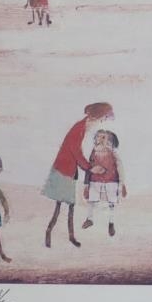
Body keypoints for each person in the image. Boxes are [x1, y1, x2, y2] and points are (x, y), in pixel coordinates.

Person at [42, 101, 113, 248]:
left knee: (70, 206)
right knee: (60, 207)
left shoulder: (81, 128)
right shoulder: (78, 129)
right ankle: (49, 235)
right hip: (63, 172)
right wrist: (90, 168)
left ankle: (70, 237)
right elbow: (76, 153)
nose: (100, 123)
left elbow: (77, 153)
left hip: (69, 171)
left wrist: (89, 167)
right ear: (94, 118)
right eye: (101, 120)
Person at [81, 129, 126, 237]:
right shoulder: (93, 152)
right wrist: (86, 185)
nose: (100, 139)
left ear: (109, 140)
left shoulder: (113, 153)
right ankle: (89, 219)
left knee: (112, 203)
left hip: (111, 181)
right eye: (98, 137)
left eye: (103, 137)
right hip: (95, 181)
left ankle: (111, 223)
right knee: (91, 200)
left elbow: (120, 168)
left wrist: (122, 183)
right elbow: (88, 168)